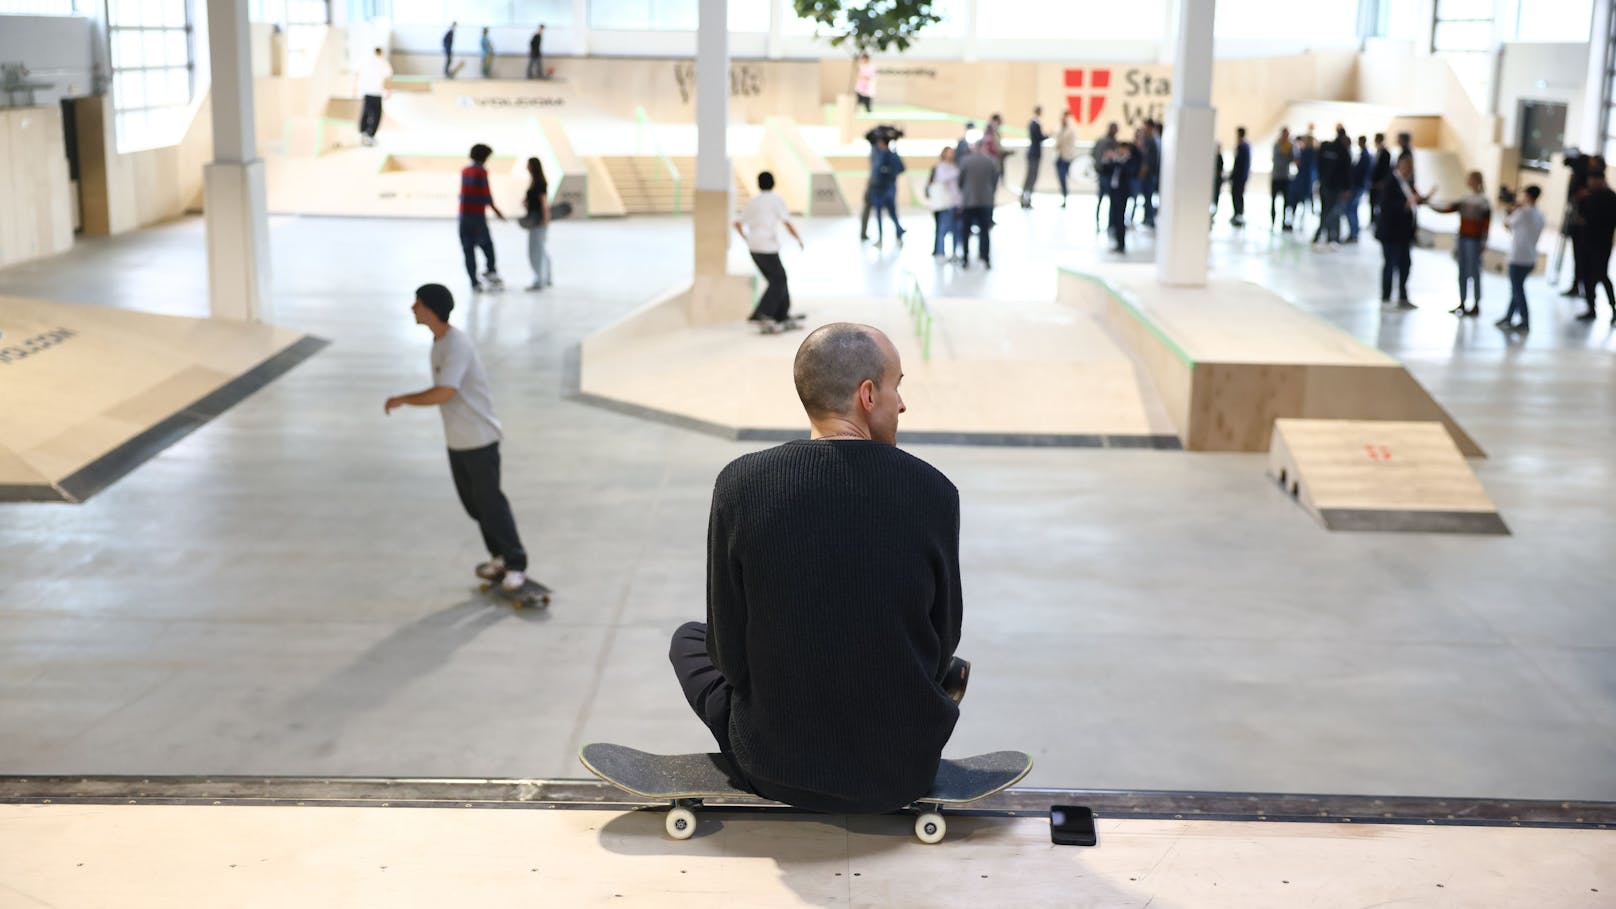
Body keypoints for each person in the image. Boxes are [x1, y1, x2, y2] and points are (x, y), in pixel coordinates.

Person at [668, 322, 966, 816]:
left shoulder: (740, 485)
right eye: (898, 385)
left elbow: (728, 653)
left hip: (774, 765)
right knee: (936, 664)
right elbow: (943, 642)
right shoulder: (934, 492)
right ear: (868, 395)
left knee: (690, 639)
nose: (903, 403)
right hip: (899, 769)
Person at [386, 283, 531, 595]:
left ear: (431, 308)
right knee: (475, 506)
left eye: (418, 304)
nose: (413, 309)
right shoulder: (439, 343)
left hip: (480, 439)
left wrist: (403, 399)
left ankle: (516, 563)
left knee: (491, 504)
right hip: (458, 441)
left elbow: (445, 392)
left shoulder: (456, 345)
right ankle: (499, 557)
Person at [735, 171, 804, 330]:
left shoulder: (753, 201)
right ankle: (763, 314)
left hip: (754, 248)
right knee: (779, 279)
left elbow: (737, 223)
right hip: (767, 247)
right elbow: (786, 221)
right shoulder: (776, 200)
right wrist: (798, 239)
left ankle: (782, 314)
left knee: (778, 279)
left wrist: (746, 238)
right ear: (773, 183)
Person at [1426, 171, 1492, 317]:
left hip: (1474, 241)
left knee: (1474, 272)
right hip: (1463, 238)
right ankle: (1462, 301)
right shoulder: (1465, 198)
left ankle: (1476, 303)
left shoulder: (1483, 201)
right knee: (1462, 271)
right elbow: (1447, 209)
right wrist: (1429, 203)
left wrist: (1484, 242)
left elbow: (1486, 225)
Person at [1376, 155, 1427, 309]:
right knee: (1390, 265)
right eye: (1408, 168)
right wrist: (1405, 204)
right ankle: (1386, 296)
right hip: (1392, 233)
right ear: (1401, 167)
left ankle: (1403, 296)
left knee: (1405, 264)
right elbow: (1387, 206)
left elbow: (1412, 202)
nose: (1410, 172)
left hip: (1404, 234)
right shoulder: (1390, 182)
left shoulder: (1407, 183)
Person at [458, 143, 505, 291]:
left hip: (464, 217)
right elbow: (486, 195)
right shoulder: (481, 172)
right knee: (488, 247)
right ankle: (491, 272)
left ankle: (474, 282)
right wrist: (497, 211)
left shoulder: (465, 171)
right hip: (477, 217)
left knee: (468, 250)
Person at [1499, 185, 1545, 332]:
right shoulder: (1540, 215)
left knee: (1517, 290)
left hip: (1518, 256)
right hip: (1530, 257)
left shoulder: (1523, 213)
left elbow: (1507, 223)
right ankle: (1508, 317)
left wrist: (1513, 210)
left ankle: (1525, 320)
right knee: (1517, 289)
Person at [1574, 166, 1616, 322]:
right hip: (1586, 242)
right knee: (1585, 276)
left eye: (1593, 180)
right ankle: (1591, 308)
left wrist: (1589, 221)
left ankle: (1613, 308)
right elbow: (1581, 216)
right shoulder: (1589, 196)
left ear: (1601, 180)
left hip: (1601, 245)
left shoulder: (1611, 198)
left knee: (1602, 276)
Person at [957, 140, 998, 268]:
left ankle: (965, 257)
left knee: (966, 231)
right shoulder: (991, 160)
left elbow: (960, 181)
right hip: (986, 200)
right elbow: (995, 180)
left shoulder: (965, 161)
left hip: (969, 200)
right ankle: (985, 257)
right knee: (984, 230)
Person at [1312, 126, 1350, 246]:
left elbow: (1318, 165)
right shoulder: (1342, 151)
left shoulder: (1326, 148)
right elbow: (1347, 172)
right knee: (1332, 212)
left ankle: (1327, 235)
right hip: (1334, 187)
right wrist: (1346, 188)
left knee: (1326, 211)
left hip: (1325, 185)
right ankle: (1329, 236)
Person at [867, 134, 906, 246]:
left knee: (892, 212)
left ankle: (899, 232)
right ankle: (881, 237)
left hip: (888, 188)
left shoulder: (891, 155)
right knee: (879, 213)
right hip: (878, 188)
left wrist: (888, 172)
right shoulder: (878, 154)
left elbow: (900, 168)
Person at [926, 146, 962, 261]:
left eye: (952, 153)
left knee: (956, 229)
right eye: (948, 153)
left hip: (956, 202)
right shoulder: (941, 167)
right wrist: (956, 172)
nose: (950, 155)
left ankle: (955, 252)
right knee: (942, 229)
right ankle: (940, 253)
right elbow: (942, 179)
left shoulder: (955, 166)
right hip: (945, 204)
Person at [521, 157, 552, 291]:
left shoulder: (539, 182)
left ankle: (539, 280)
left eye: (528, 165)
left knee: (535, 251)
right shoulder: (534, 182)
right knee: (541, 250)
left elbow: (544, 202)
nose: (526, 167)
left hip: (538, 221)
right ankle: (547, 277)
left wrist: (545, 220)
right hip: (534, 220)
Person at [353, 47, 392, 147]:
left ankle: (363, 133)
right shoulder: (383, 63)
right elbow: (388, 78)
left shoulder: (364, 61)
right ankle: (370, 134)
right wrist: (388, 91)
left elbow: (356, 74)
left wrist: (355, 89)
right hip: (377, 93)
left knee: (366, 112)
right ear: (380, 53)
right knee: (377, 115)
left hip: (366, 92)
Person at [1106, 139, 1140, 253]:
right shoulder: (1117, 161)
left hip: (1122, 193)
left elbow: (1130, 172)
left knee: (1120, 218)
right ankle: (1116, 242)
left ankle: (1121, 244)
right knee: (1115, 218)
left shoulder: (1130, 161)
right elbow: (1105, 169)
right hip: (1114, 191)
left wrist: (1118, 160)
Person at [1345, 135, 1373, 242]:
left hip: (1357, 186)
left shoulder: (1364, 155)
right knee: (1353, 209)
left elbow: (1358, 172)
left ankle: (1353, 233)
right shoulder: (1364, 154)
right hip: (1360, 185)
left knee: (1350, 209)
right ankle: (1354, 232)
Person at [1092, 122, 1119, 230]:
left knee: (1103, 199)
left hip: (1103, 173)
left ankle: (1105, 221)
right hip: (1106, 174)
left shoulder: (1102, 140)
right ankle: (1108, 223)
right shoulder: (1109, 142)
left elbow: (1093, 154)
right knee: (1108, 199)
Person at [1021, 106, 1045, 209]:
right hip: (1034, 154)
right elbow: (1038, 138)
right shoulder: (1035, 124)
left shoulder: (1034, 123)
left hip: (1034, 153)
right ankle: (1025, 198)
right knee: (1031, 177)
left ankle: (1026, 198)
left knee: (1031, 178)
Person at [1138, 121, 1160, 229]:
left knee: (1148, 197)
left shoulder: (1150, 141)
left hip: (1149, 175)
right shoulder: (1154, 140)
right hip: (1151, 174)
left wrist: (1143, 172)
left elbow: (1148, 159)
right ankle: (1148, 217)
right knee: (1147, 198)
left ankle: (1149, 219)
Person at [1054, 110, 1078, 209]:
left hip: (1066, 157)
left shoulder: (1071, 129)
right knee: (1060, 177)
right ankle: (1064, 194)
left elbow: (1068, 142)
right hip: (1059, 157)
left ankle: (1065, 195)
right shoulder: (1060, 128)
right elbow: (1057, 142)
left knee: (1063, 177)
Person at [1271, 127, 1293, 230]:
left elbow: (1293, 158)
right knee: (1273, 200)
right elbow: (1276, 159)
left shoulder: (1290, 146)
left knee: (1286, 201)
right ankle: (1273, 220)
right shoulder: (1277, 145)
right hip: (1276, 176)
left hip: (1285, 177)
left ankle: (1284, 221)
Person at [1229, 126, 1250, 227]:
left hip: (1239, 178)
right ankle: (1237, 214)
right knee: (1237, 196)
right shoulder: (1244, 146)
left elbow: (1240, 164)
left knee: (1237, 196)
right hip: (1239, 177)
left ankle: (1239, 215)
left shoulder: (1243, 147)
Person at [1369, 132, 1391, 229]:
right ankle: (1373, 220)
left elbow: (1385, 169)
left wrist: (1382, 182)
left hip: (1380, 183)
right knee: (1372, 202)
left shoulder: (1386, 153)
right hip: (1373, 183)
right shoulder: (1377, 152)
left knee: (1379, 203)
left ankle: (1378, 221)